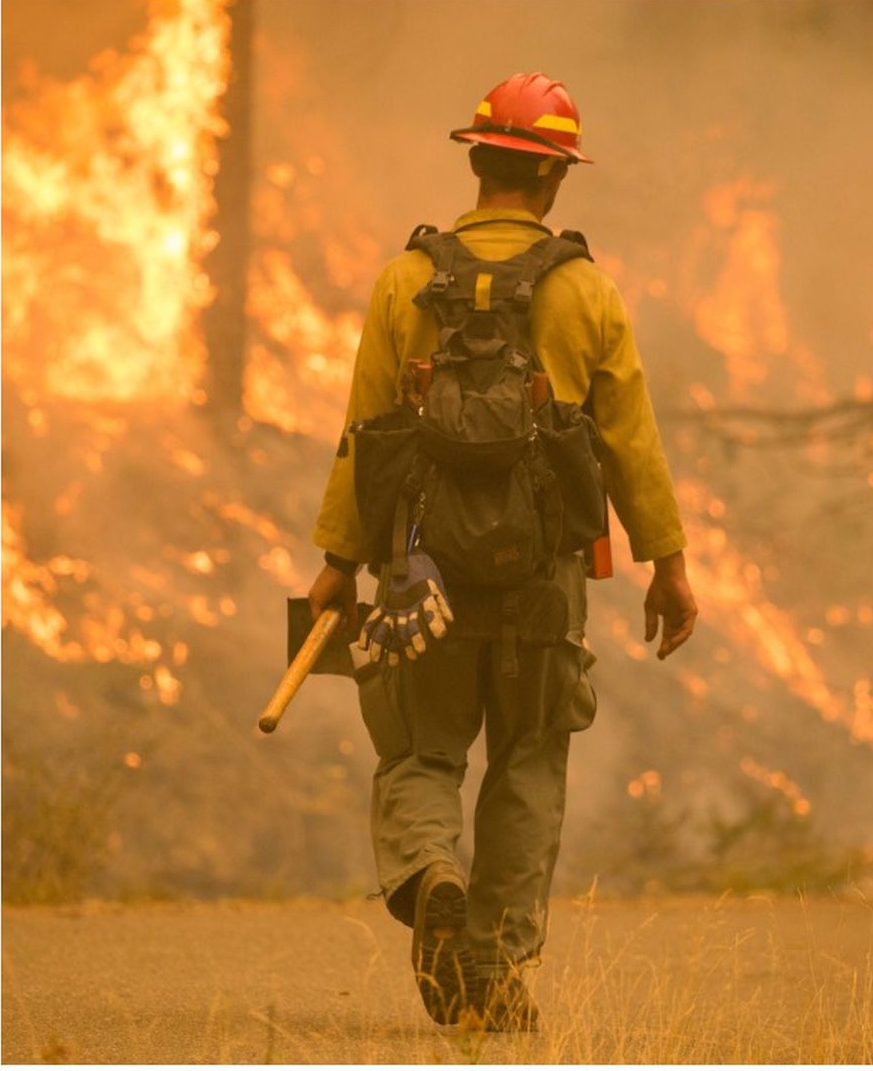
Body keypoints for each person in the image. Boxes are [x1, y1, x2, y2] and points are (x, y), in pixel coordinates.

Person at [305, 71, 698, 1030]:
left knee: (420, 755)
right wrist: (668, 564)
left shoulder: (406, 281)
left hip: (418, 576)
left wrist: (336, 563)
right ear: (556, 179)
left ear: (476, 159)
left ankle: (432, 873)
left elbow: (364, 433)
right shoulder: (585, 293)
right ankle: (491, 966)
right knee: (528, 761)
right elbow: (630, 443)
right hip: (541, 588)